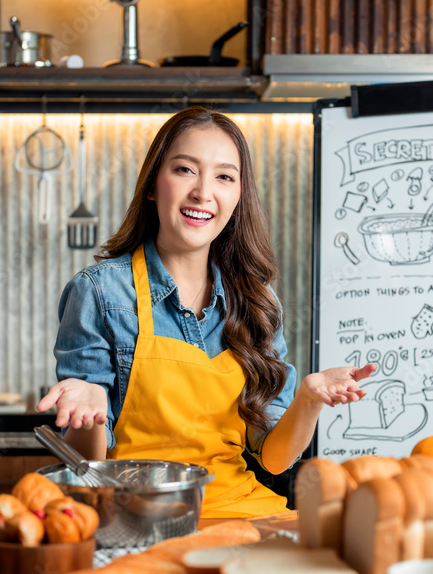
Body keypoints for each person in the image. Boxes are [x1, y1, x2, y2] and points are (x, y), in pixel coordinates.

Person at [37, 107, 376, 518]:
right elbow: (85, 469)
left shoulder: (256, 300)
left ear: (238, 196)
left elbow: (273, 459)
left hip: (242, 510)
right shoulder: (100, 291)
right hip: (136, 517)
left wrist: (308, 398)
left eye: (224, 176)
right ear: (152, 185)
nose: (203, 192)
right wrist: (89, 413)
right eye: (185, 170)